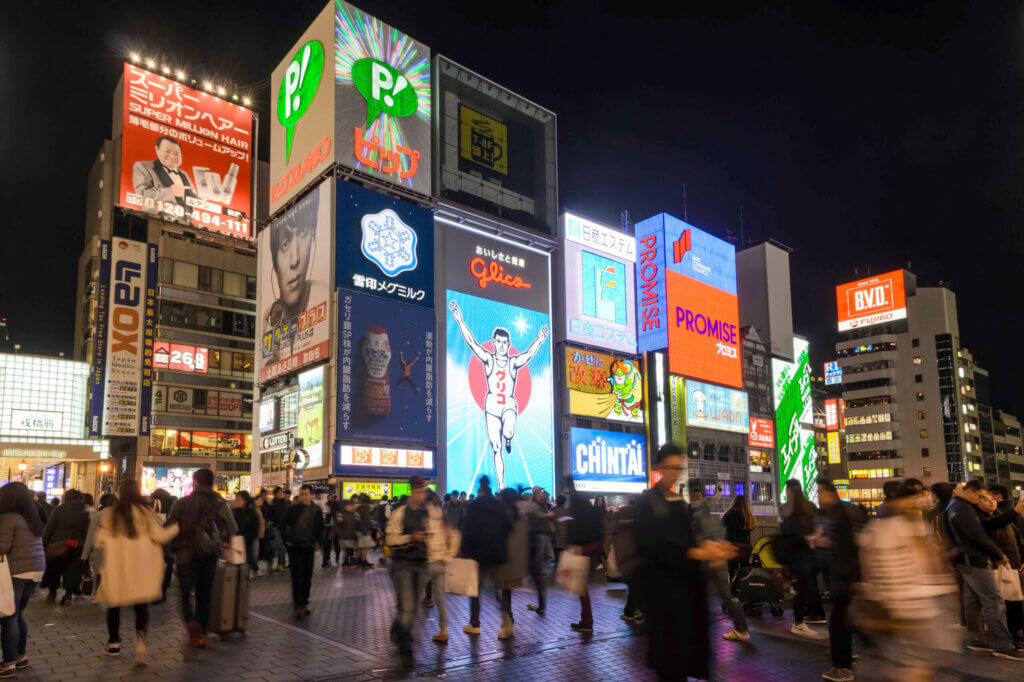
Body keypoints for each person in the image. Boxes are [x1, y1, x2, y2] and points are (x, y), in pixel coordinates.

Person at [635, 444, 738, 681]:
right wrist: (696, 553)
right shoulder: (647, 503)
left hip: (685, 598)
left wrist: (710, 549)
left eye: (680, 467)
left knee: (681, 662)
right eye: (671, 467)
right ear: (659, 467)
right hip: (661, 600)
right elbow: (653, 547)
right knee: (670, 665)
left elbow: (689, 542)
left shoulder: (680, 504)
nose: (676, 472)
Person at [857, 480, 960, 678]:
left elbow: (930, 566)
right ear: (897, 501)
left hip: (924, 608)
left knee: (922, 663)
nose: (918, 502)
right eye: (914, 498)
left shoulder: (919, 527)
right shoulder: (881, 531)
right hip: (902, 609)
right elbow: (878, 571)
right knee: (909, 665)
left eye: (922, 497)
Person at [447, 299, 549, 489]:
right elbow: (472, 343)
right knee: (496, 447)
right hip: (492, 405)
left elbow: (528, 354)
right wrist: (459, 319)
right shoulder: (488, 359)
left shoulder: (512, 362)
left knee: (508, 431)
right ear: (494, 342)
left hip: (509, 404)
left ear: (509, 344)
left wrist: (540, 340)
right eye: (499, 341)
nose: (502, 345)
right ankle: (501, 485)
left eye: (505, 342)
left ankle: (509, 436)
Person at [93, 479, 178, 664]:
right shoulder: (146, 513)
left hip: (118, 569)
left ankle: (114, 642)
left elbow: (99, 540)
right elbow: (161, 537)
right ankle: (140, 641)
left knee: (114, 606)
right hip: (141, 569)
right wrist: (177, 527)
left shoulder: (110, 515)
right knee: (141, 607)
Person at [946, 479, 1024, 660]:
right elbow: (977, 534)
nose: (983, 500)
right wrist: (998, 553)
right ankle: (1003, 645)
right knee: (994, 602)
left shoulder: (957, 506)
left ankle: (976, 640)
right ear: (972, 492)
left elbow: (981, 529)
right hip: (975, 560)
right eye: (981, 496)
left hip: (966, 560)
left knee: (972, 602)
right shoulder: (962, 508)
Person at [165, 469, 238, 647]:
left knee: (184, 594)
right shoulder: (220, 504)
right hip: (209, 554)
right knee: (204, 594)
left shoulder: (181, 503)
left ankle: (191, 624)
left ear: (195, 482)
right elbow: (233, 528)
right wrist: (219, 534)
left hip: (184, 553)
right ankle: (201, 632)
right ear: (212, 483)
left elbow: (169, 526)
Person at [387, 478, 456, 663]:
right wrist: (411, 537)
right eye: (418, 491)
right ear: (411, 491)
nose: (421, 495)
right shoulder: (400, 513)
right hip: (403, 564)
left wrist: (445, 554)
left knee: (410, 608)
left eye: (423, 491)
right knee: (408, 607)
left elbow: (446, 533)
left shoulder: (430, 512)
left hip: (424, 564)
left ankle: (398, 629)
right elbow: (391, 540)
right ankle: (406, 647)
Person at [263, 193, 328, 360]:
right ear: (274, 261)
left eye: (303, 232)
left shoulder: (326, 298)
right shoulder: (267, 321)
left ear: (313, 237)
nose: (295, 259)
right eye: (285, 244)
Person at [817, 478, 867, 682]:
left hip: (845, 575)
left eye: (820, 492)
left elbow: (849, 545)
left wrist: (824, 542)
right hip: (846, 574)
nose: (818, 496)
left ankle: (843, 667)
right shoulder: (842, 511)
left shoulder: (841, 514)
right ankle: (857, 653)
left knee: (839, 622)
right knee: (847, 619)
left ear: (829, 492)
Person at [691, 482, 749, 642]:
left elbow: (700, 540)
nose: (697, 499)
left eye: (699, 496)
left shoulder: (699, 517)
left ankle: (740, 628)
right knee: (720, 595)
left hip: (711, 559)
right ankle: (741, 628)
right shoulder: (710, 517)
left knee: (716, 595)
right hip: (717, 558)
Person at [0, 483, 45, 676]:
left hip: (17, 572)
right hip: (35, 571)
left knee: (9, 616)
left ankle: (8, 663)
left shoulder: (8, 518)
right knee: (17, 614)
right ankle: (21, 656)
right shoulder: (32, 518)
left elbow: (2, 546)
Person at [461, 476, 513, 637]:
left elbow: (467, 531)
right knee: (504, 588)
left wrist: (466, 552)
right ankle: (507, 622)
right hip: (498, 552)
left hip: (479, 553)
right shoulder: (499, 506)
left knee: (476, 589)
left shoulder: (474, 505)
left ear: (479, 490)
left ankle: (475, 623)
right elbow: (508, 527)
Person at [780, 479, 827, 637]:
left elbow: (787, 532)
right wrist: (813, 537)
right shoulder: (809, 507)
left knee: (803, 586)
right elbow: (817, 524)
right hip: (806, 554)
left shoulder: (788, 510)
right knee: (805, 585)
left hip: (798, 554)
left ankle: (801, 620)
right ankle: (802, 619)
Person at [41, 489, 89, 606]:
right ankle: (68, 596)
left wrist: (43, 543)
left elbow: (49, 528)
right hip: (77, 546)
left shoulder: (59, 510)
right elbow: (87, 532)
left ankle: (52, 594)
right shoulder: (84, 512)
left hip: (58, 545)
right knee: (72, 571)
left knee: (54, 570)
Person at [989, 484, 1024, 642]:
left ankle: (1016, 632)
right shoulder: (990, 520)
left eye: (990, 497)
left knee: (1014, 601)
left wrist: (1022, 559)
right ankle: (1011, 634)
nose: (990, 501)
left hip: (1012, 565)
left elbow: (1018, 539)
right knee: (1009, 602)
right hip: (1003, 565)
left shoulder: (1005, 517)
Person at [283, 485, 324, 619]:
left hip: (308, 547)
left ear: (311, 495)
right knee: (296, 575)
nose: (304, 496)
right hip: (294, 547)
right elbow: (284, 524)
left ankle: (304, 602)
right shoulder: (293, 509)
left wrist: (315, 542)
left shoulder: (316, 510)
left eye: (306, 494)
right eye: (302, 494)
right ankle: (297, 603)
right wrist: (287, 541)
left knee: (307, 576)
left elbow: (320, 528)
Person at [131, 136, 196, 215]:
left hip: (185, 224)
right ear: (157, 149)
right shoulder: (143, 166)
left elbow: (190, 200)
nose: (172, 156)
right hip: (155, 221)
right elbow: (143, 195)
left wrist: (200, 199)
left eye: (176, 154)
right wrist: (171, 191)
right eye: (167, 151)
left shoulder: (184, 174)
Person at [721, 493, 755, 580]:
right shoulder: (748, 515)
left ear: (734, 502)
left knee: (732, 571)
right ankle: (743, 589)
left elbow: (723, 522)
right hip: (745, 548)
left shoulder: (729, 514)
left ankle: (733, 589)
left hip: (732, 547)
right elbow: (752, 528)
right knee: (745, 571)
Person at [231, 491, 264, 576]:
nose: (237, 501)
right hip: (238, 540)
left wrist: (251, 536)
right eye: (236, 499)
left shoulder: (252, 512)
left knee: (251, 557)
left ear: (245, 500)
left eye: (239, 499)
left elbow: (255, 527)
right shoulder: (235, 512)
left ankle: (249, 572)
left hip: (249, 540)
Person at [322, 493, 341, 568]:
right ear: (327, 498)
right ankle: (327, 559)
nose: (330, 498)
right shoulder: (326, 504)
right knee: (327, 544)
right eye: (329, 497)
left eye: (332, 497)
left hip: (336, 526)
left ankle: (337, 557)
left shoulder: (337, 504)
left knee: (337, 543)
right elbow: (327, 511)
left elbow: (338, 511)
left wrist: (334, 503)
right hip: (328, 526)